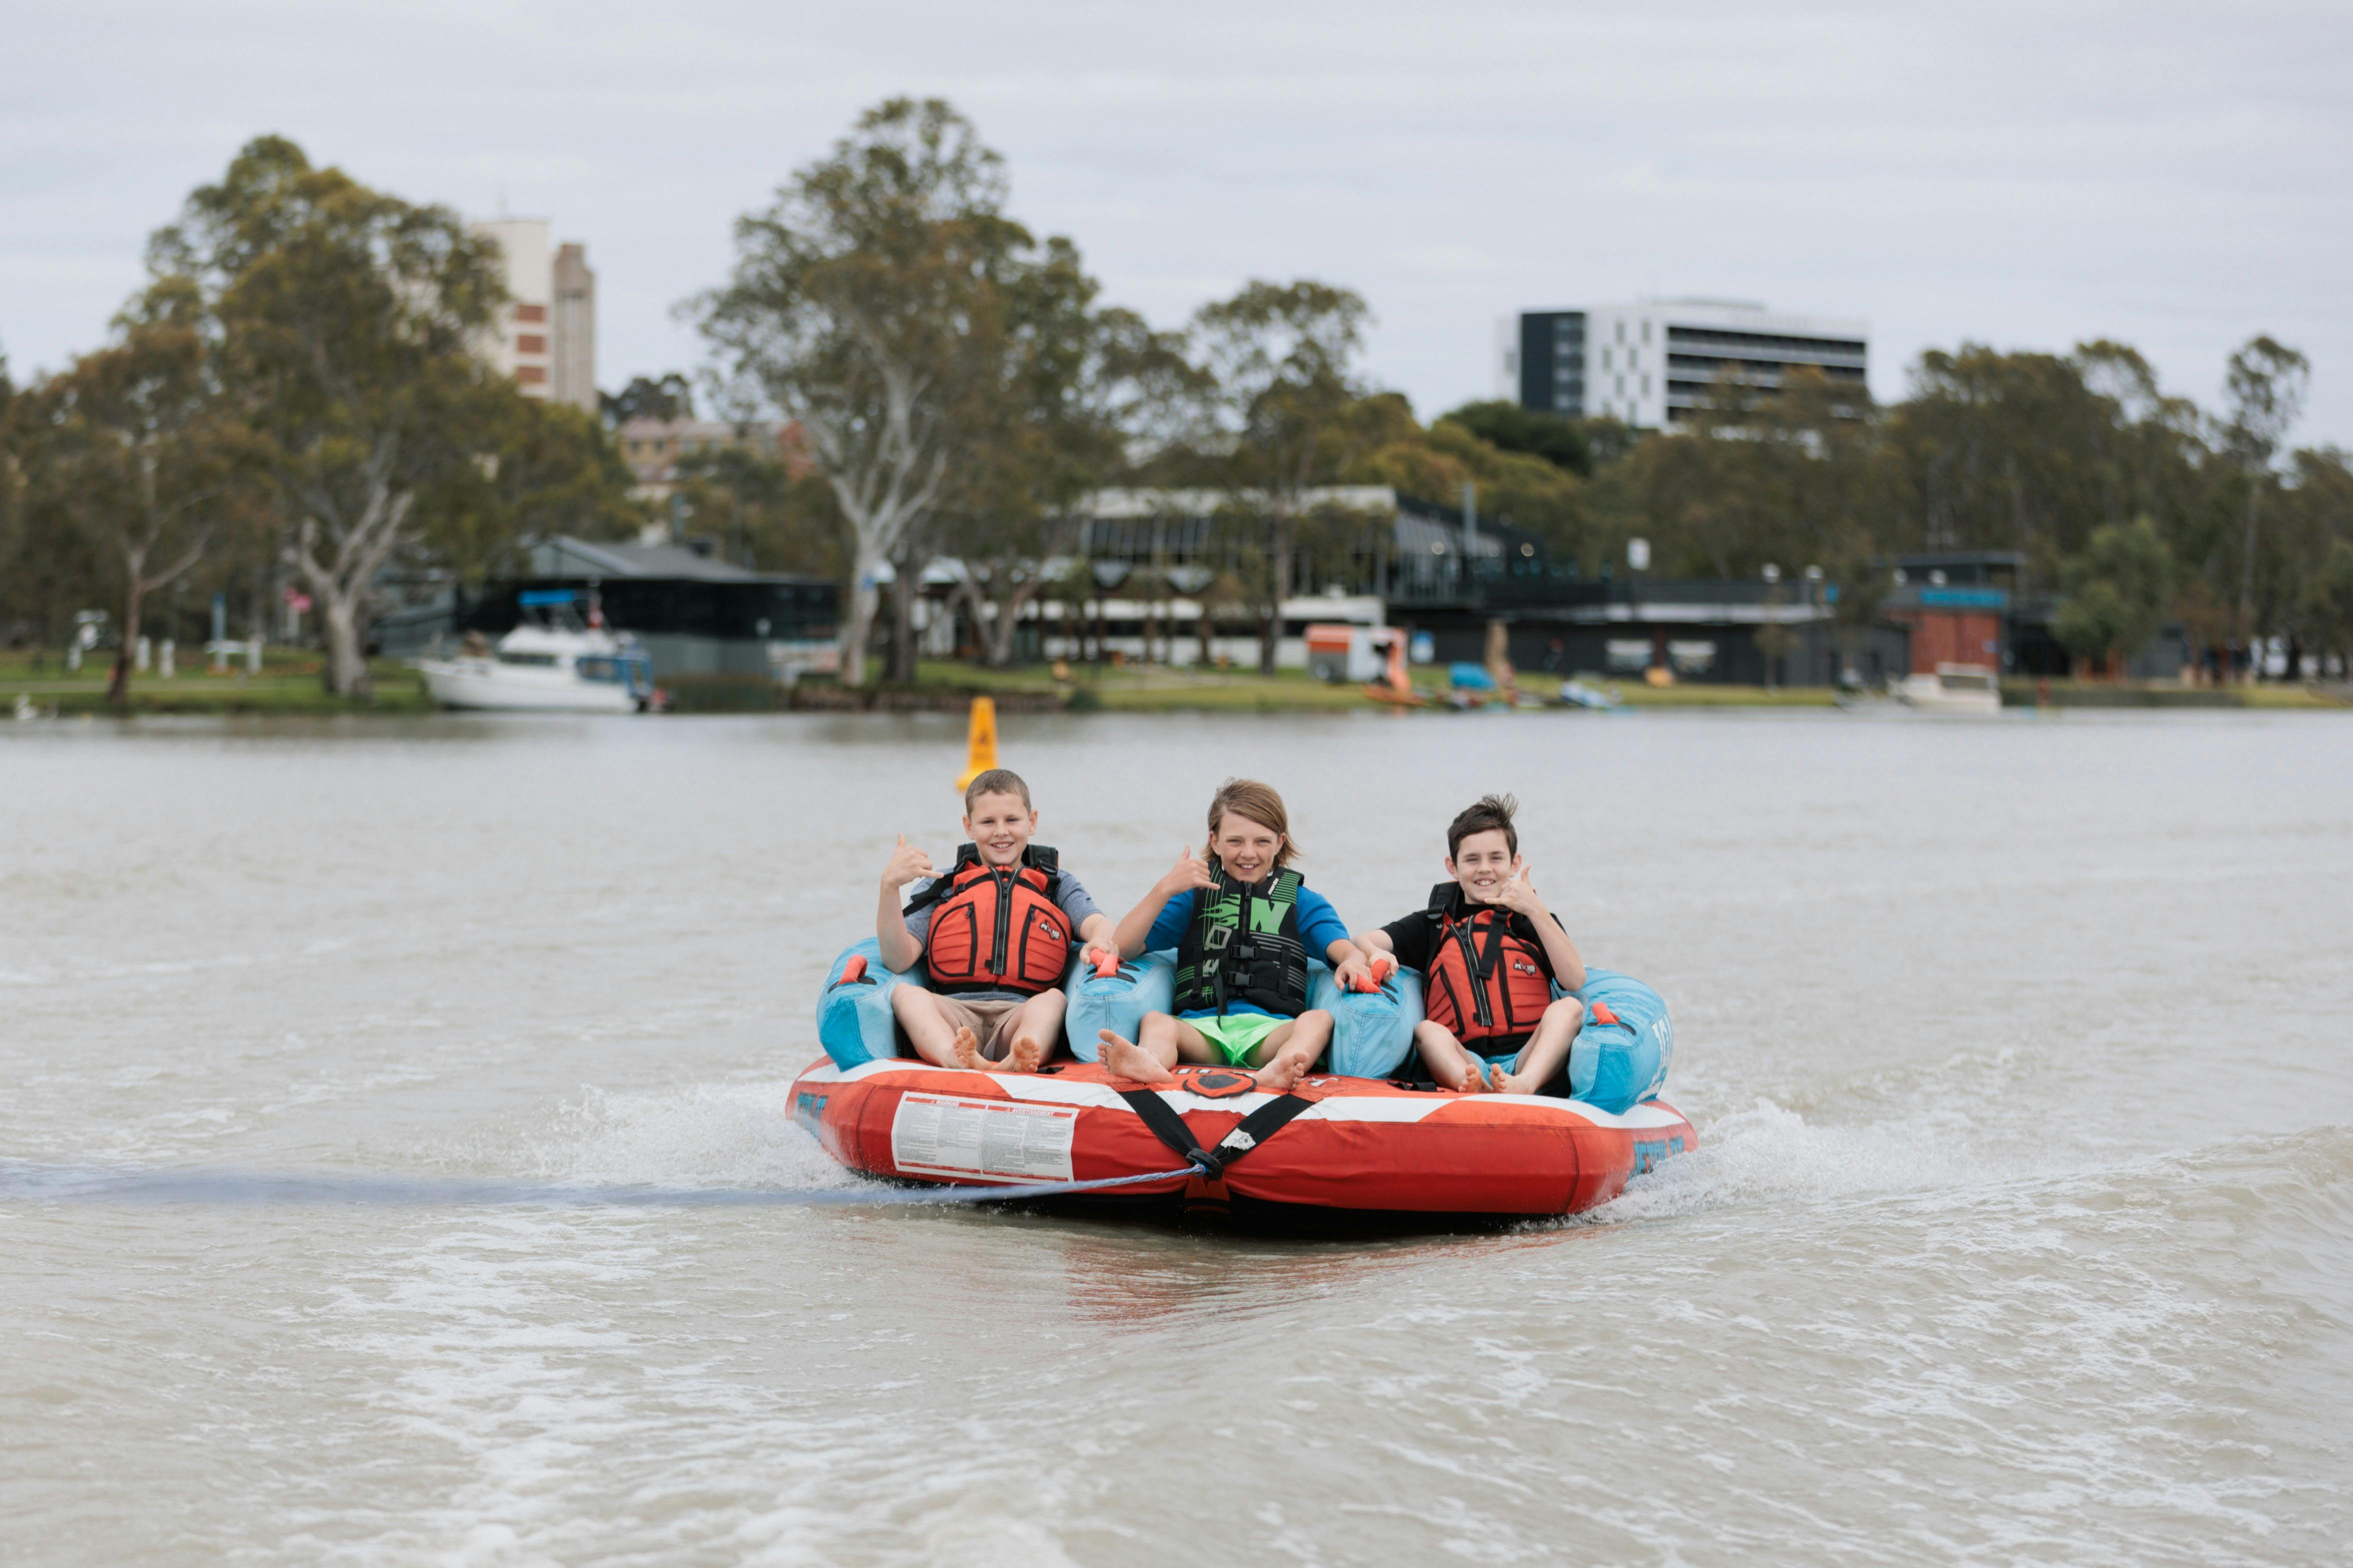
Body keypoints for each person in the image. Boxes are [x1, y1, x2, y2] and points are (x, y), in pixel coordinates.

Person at [1092, 778, 1372, 1093]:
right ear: (1215, 841)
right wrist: (1165, 888)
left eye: (1262, 842)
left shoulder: (1302, 902)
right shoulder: (1192, 897)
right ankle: (1150, 1060)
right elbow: (1123, 947)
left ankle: (1279, 1068)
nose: (1248, 854)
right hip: (1201, 1031)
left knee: (1318, 1020)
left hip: (1271, 1034)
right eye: (1235, 841)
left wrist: (1352, 960)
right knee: (1157, 1021)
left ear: (1280, 842)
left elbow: (1345, 949)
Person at [876, 768, 1114, 1073]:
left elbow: (1097, 923)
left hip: (1019, 1015)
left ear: (1032, 822)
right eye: (988, 822)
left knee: (1053, 1000)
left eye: (1012, 820)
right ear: (969, 827)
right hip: (954, 1015)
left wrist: (1100, 939)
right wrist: (889, 888)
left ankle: (1019, 1057)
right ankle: (953, 1057)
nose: (1001, 832)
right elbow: (898, 959)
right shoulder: (943, 885)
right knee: (906, 995)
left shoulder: (1057, 885)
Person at [1355, 793, 1586, 1095]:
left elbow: (1574, 980)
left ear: (1515, 863)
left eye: (1496, 858)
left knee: (1569, 1008)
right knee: (1427, 1031)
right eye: (1472, 859)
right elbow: (1362, 939)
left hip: (1528, 1056)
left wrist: (1536, 910)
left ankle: (1525, 1084)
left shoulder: (1531, 920)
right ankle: (1475, 1087)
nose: (1484, 869)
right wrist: (1375, 953)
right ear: (1453, 867)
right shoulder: (1433, 924)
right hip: (1466, 1058)